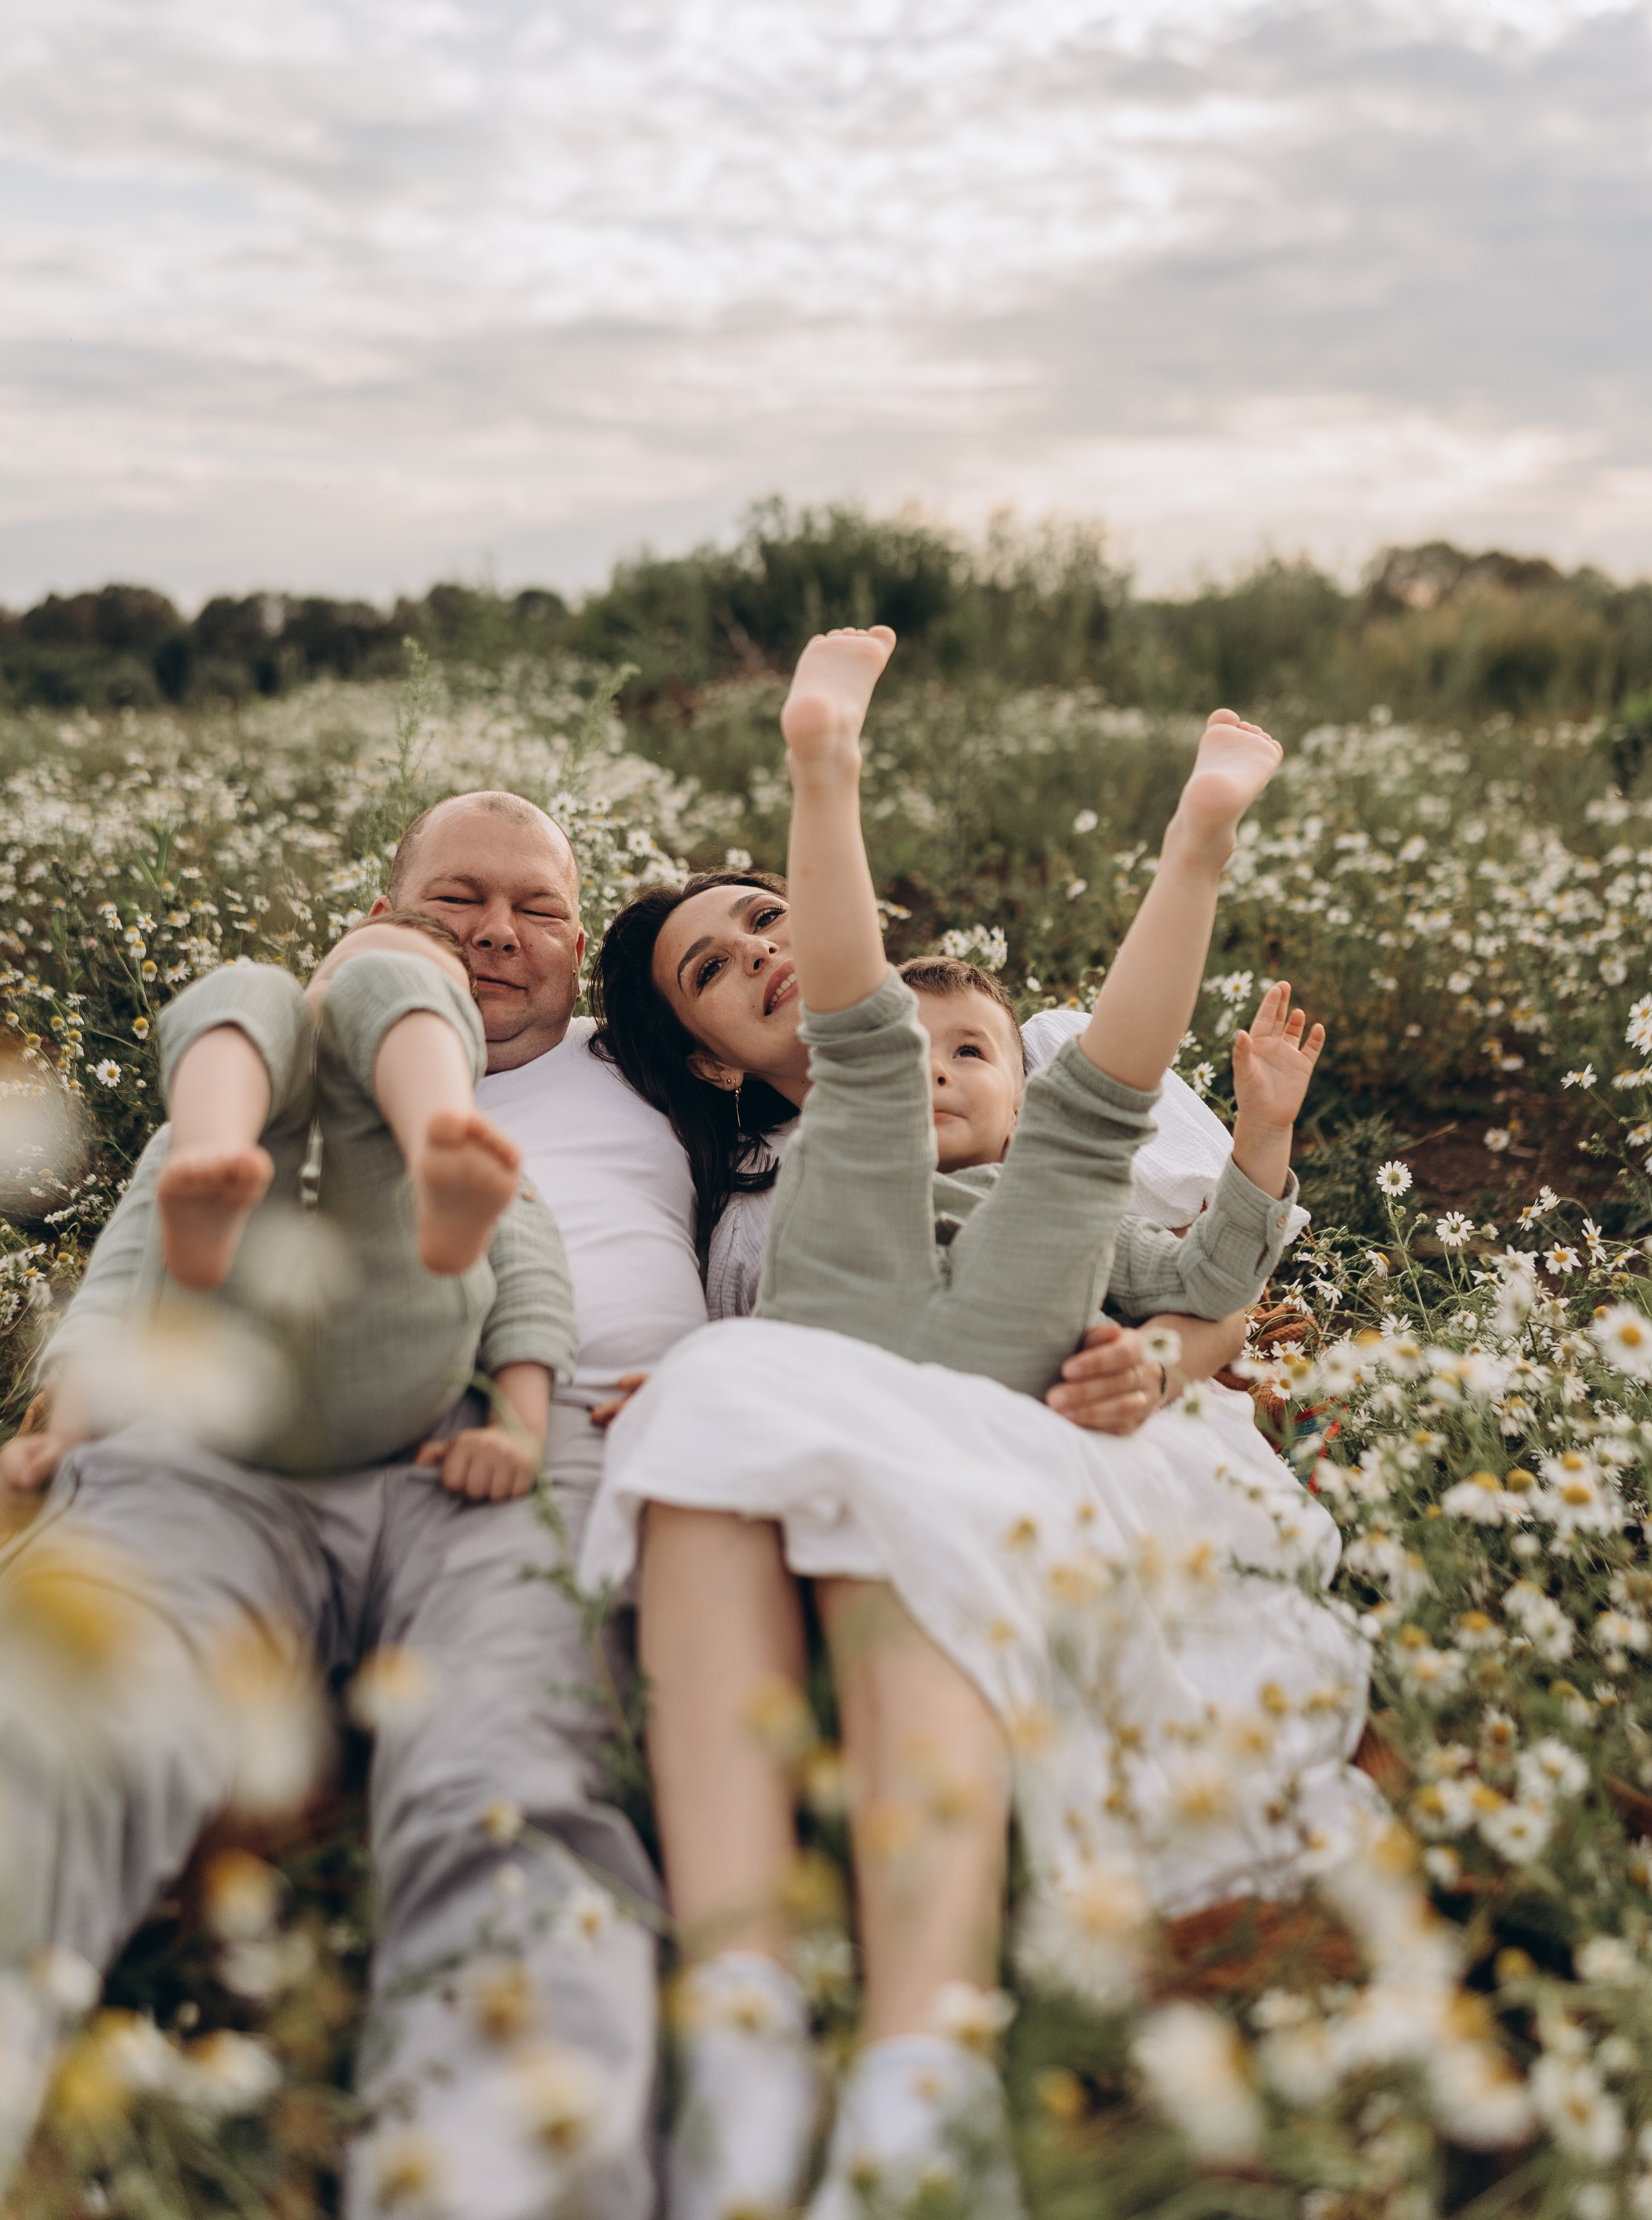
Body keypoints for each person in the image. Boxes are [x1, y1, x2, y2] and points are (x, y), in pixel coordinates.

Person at [581, 675, 1373, 2220]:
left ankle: (912, 2068)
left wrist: (1160, 1352)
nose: (760, 950)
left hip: (1012, 1368)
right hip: (836, 1360)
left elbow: (1191, 1273)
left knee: (1068, 1126)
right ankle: (750, 2031)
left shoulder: (1018, 1097)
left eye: (768, 916)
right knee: (752, 1358)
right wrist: (663, 1378)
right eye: (711, 963)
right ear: (710, 1059)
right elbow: (849, 1045)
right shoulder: (744, 1204)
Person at [0, 793, 700, 2220]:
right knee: (55, 1736)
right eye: (456, 900)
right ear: (381, 918)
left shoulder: (653, 1065)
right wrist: (68, 1394)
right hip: (229, 1443)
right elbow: (150, 1218)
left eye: (539, 908)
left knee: (514, 1780)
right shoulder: (275, 1059)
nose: (497, 934)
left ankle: (502, 2184)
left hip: (519, 1439)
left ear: (584, 943)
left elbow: (896, 1056)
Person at [749, 623, 1317, 1395]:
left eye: (970, 1053)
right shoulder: (816, 1165)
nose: (935, 1073)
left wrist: (1262, 1132)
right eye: (913, 1049)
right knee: (868, 1061)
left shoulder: (1059, 1200)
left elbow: (1211, 1285)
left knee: (1084, 1123)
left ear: (1020, 1110)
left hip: (933, 1327)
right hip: (865, 1308)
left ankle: (1196, 851)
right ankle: (823, 764)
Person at [6, 910, 574, 1493]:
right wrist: (64, 1433)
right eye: (342, 981)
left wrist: (517, 1428)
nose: (347, 1009)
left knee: (387, 1066)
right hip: (214, 1372)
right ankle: (218, 1150)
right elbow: (115, 1281)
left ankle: (430, 1123)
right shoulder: (179, 1152)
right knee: (247, 988)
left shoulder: (474, 1166)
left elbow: (532, 1279)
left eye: (392, 1003)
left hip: (386, 1364)